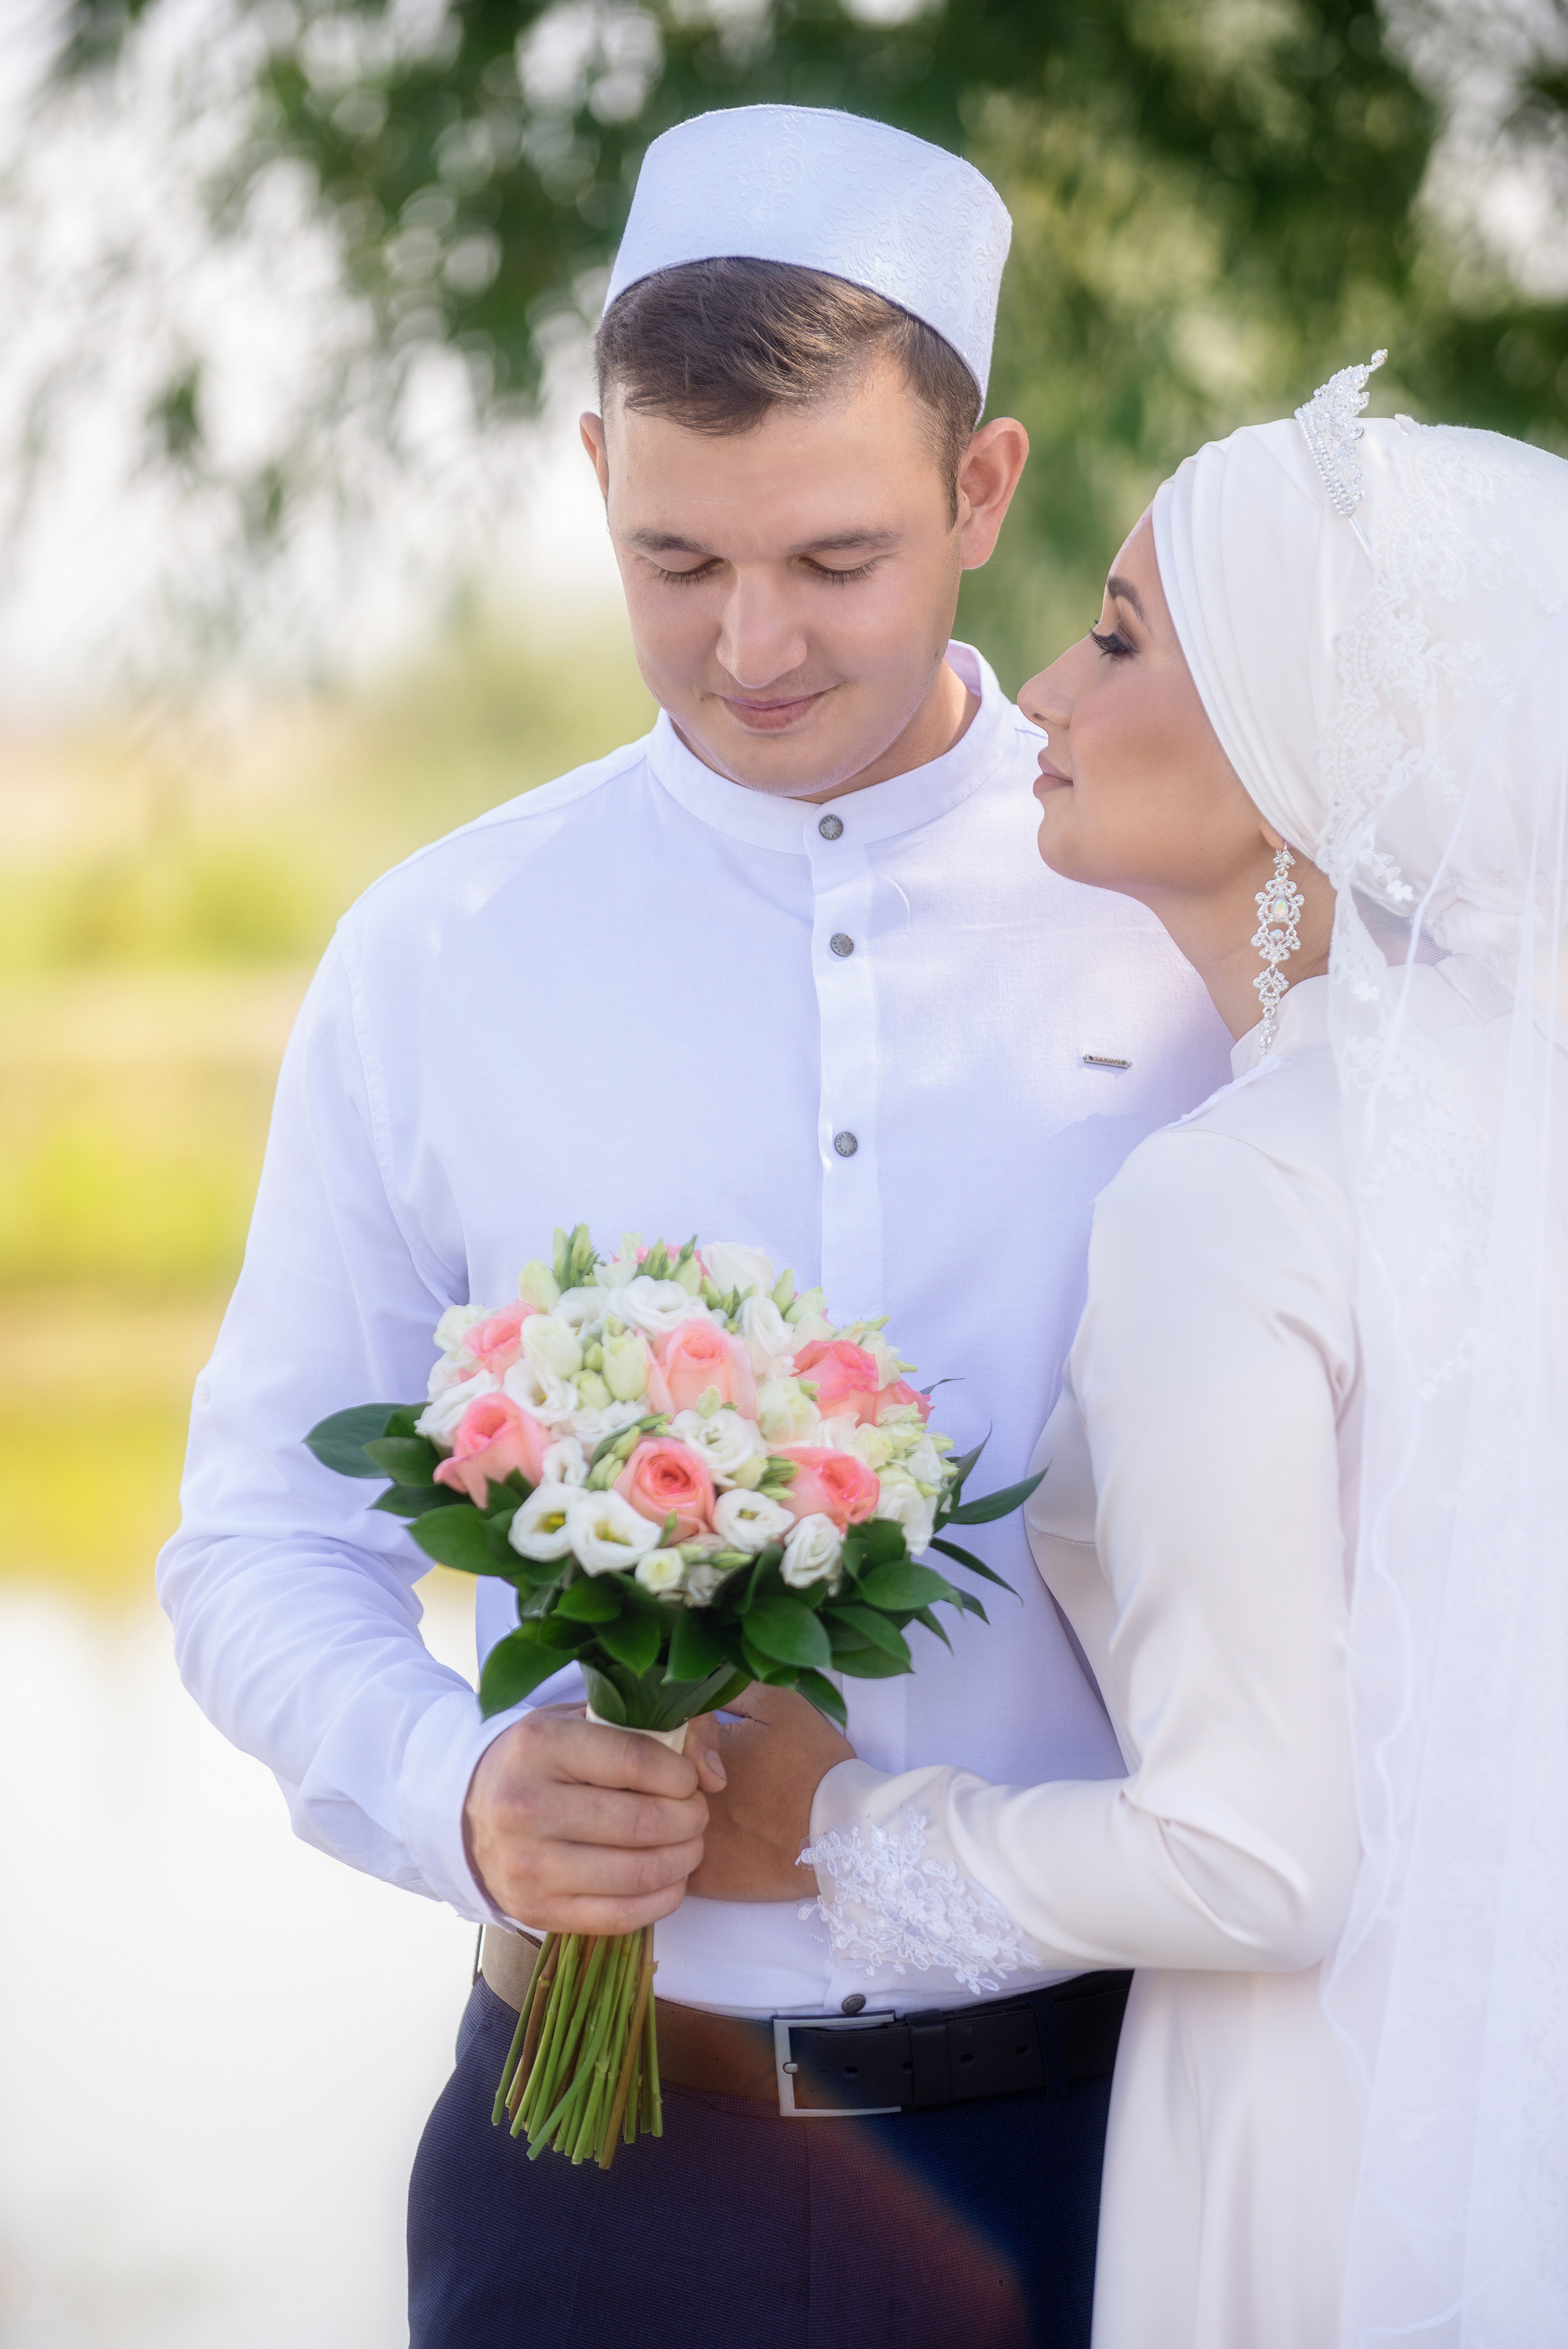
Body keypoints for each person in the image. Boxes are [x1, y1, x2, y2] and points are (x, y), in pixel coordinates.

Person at [156, 105, 1231, 2349]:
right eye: (677, 560)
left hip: (1120, 2153)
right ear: (595, 477)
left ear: (984, 486)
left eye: (835, 559)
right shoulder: (437, 949)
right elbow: (257, 1535)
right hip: (592, 2163)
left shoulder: (1189, 938)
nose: (751, 644)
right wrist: (459, 1785)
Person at [711, 366, 1568, 2344]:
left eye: (1115, 635)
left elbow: (1257, 1858)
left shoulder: (1239, 1192)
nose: (1042, 689)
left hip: (1314, 2135)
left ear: (1306, 738)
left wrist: (834, 1825)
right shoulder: (1511, 1122)